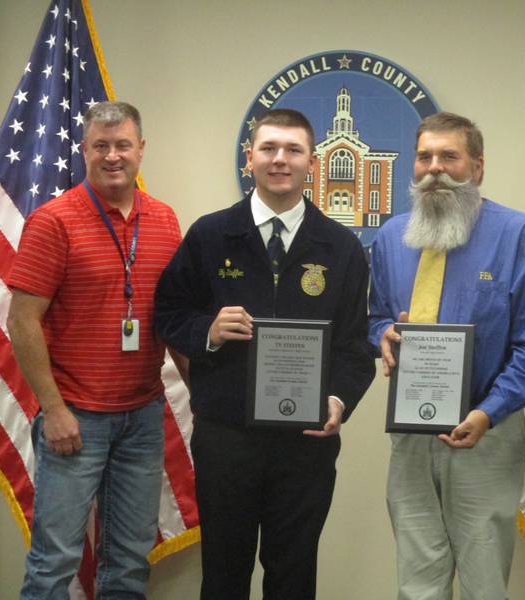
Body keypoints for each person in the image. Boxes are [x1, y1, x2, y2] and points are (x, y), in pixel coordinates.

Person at [153, 108, 375, 600]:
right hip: (226, 437)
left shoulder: (341, 247)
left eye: (293, 150)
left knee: (293, 575)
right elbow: (167, 311)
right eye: (269, 149)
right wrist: (208, 329)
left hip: (306, 442)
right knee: (224, 573)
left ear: (312, 163)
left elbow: (355, 347)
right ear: (249, 157)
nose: (281, 160)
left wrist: (337, 401)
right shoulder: (211, 235)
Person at [368, 112, 525, 600]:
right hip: (411, 437)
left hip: (485, 434)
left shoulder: (518, 234)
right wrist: (383, 333)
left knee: (483, 582)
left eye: (449, 156)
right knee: (417, 582)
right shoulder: (391, 237)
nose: (435, 169)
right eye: (425, 157)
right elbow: (375, 317)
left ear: (477, 167)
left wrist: (485, 414)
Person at [7, 101, 184, 599]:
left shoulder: (165, 222)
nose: (112, 156)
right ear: (83, 150)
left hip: (142, 417)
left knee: (129, 561)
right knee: (54, 561)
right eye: (101, 146)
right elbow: (22, 323)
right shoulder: (54, 221)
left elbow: (172, 318)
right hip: (75, 419)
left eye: (123, 145)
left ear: (140, 150)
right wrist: (56, 410)